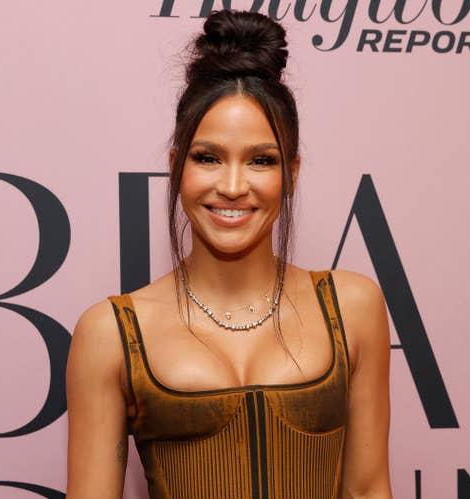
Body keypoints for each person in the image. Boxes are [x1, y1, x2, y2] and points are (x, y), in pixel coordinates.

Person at [66, 9, 391, 499]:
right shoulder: (109, 334)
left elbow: (367, 490)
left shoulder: (353, 307)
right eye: (208, 158)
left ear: (293, 172)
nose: (234, 186)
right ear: (177, 168)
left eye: (261, 160)